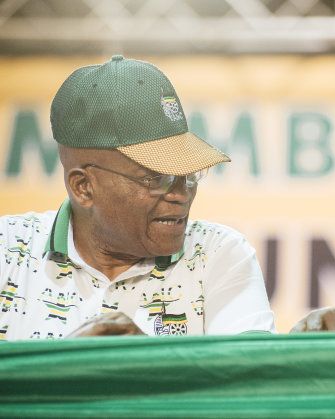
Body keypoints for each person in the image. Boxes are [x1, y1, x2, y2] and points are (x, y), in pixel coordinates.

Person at [0, 55, 275, 340]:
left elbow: (249, 377)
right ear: (83, 187)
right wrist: (70, 363)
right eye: (155, 178)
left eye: (189, 175)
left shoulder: (217, 254)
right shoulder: (7, 251)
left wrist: (144, 361)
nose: (181, 194)